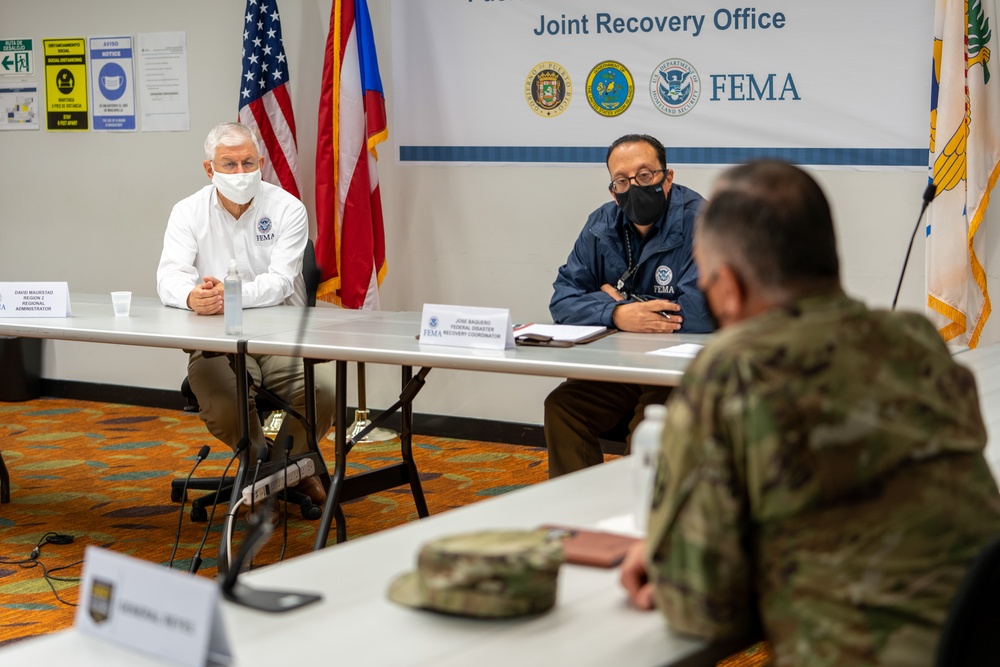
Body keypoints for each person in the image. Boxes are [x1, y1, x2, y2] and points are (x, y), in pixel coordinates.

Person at [619, 160, 1000, 665]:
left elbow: (703, 607)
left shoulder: (733, 368)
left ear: (728, 288)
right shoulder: (915, 340)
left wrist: (671, 565)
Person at [157, 121, 335, 504]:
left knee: (325, 391)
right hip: (214, 339)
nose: (241, 173)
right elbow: (168, 275)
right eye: (230, 164)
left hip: (278, 337)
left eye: (248, 163)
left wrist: (231, 294)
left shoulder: (287, 208)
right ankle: (276, 470)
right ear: (210, 169)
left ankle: (279, 470)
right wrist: (191, 297)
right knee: (225, 399)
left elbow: (282, 282)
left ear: (262, 162)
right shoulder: (188, 211)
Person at [544, 134, 715, 478]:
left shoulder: (705, 223)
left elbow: (700, 312)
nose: (633, 186)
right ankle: (581, 516)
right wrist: (617, 313)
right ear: (612, 190)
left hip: (681, 373)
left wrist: (623, 301)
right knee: (563, 407)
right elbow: (562, 300)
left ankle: (637, 523)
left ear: (667, 178)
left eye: (645, 175)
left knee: (646, 431)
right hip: (622, 365)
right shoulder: (601, 224)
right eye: (622, 180)